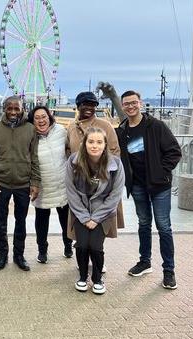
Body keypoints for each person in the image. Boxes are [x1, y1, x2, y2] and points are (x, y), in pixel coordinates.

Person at [116, 90, 181, 290]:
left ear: (140, 103)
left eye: (133, 103)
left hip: (159, 185)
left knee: (163, 226)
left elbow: (174, 151)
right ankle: (145, 261)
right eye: (126, 104)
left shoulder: (156, 126)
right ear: (122, 106)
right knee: (144, 223)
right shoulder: (122, 130)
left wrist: (161, 172)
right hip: (137, 185)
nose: (130, 107)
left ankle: (169, 271)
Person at [67, 91, 123, 272]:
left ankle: (98, 257)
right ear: (78, 106)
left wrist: (100, 172)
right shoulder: (71, 127)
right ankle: (83, 258)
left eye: (92, 104)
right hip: (80, 183)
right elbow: (68, 151)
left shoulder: (105, 125)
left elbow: (114, 152)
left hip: (102, 184)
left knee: (100, 226)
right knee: (80, 224)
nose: (89, 108)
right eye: (84, 104)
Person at [0, 95, 40, 272]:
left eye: (17, 108)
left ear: (22, 109)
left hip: (23, 184)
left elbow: (35, 157)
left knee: (21, 222)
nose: (13, 112)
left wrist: (36, 181)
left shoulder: (31, 129)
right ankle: (2, 256)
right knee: (1, 222)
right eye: (10, 108)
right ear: (5, 108)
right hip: (1, 183)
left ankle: (19, 255)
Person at [66, 127, 124, 295]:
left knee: (96, 246)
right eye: (91, 142)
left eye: (99, 142)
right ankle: (83, 277)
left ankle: (98, 279)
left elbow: (115, 195)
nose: (95, 146)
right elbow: (70, 191)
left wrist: (96, 218)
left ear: (105, 145)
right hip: (80, 212)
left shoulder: (115, 164)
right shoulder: (73, 162)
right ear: (84, 143)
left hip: (103, 214)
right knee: (82, 245)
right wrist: (84, 217)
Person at [27, 105, 71, 264]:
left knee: (65, 219)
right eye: (37, 118)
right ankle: (42, 250)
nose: (41, 120)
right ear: (32, 121)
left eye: (43, 116)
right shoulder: (30, 136)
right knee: (41, 220)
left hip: (62, 183)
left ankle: (68, 245)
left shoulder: (61, 131)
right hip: (41, 185)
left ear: (49, 116)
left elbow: (72, 149)